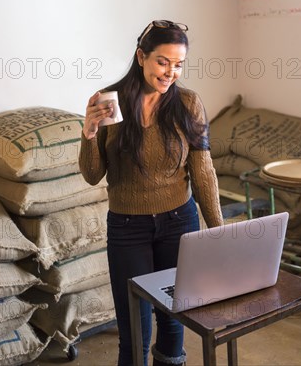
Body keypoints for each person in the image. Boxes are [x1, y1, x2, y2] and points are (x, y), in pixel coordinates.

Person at [79, 20, 223, 366]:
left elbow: (202, 171)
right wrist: (88, 133)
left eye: (178, 64)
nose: (170, 72)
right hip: (128, 228)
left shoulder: (188, 103)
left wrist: (219, 230)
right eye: (163, 61)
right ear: (141, 56)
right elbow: (92, 174)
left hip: (179, 221)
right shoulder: (109, 102)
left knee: (173, 321)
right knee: (134, 330)